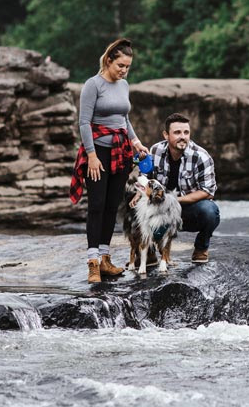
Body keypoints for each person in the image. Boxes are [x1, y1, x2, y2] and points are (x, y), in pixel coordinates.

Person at [69, 38, 150, 283]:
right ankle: (92, 262)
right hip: (99, 153)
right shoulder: (93, 85)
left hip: (121, 151)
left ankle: (105, 259)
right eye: (121, 65)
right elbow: (84, 122)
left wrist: (136, 142)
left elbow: (124, 120)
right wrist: (91, 156)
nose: (124, 70)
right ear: (109, 60)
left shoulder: (123, 85)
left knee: (112, 206)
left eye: (128, 66)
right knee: (96, 204)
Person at [148, 113, 219, 263]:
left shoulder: (201, 156)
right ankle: (149, 251)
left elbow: (207, 192)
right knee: (135, 204)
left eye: (186, 132)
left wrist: (174, 200)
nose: (183, 137)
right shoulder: (155, 151)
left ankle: (201, 248)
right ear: (166, 135)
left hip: (186, 211)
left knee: (210, 211)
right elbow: (146, 180)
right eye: (177, 132)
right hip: (159, 209)